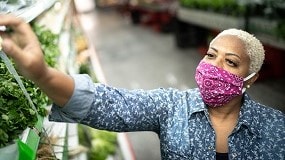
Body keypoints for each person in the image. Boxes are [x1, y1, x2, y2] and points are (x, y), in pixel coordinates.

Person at [0, 14, 284, 160]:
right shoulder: (171, 107)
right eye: (211, 55)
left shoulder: (276, 129)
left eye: (231, 62)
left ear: (252, 78)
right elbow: (106, 103)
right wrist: (42, 74)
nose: (214, 67)